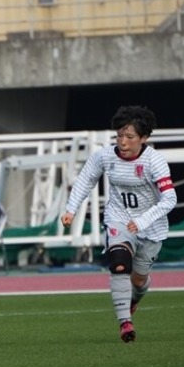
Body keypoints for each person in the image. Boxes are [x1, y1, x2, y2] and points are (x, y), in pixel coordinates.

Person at [60, 105, 177, 343]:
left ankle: (134, 298)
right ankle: (125, 323)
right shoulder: (104, 156)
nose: (123, 142)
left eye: (130, 137)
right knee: (119, 263)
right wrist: (71, 209)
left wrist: (142, 220)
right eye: (119, 136)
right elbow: (85, 180)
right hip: (118, 218)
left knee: (139, 279)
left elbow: (170, 199)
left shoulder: (154, 161)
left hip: (151, 226)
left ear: (144, 138)